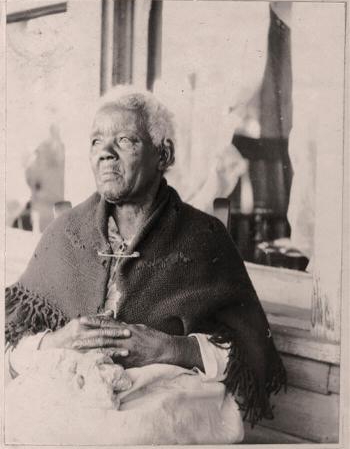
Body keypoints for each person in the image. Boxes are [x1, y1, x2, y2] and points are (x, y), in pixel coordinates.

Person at [5, 86, 286, 444]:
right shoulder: (66, 232)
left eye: (124, 140)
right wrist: (60, 340)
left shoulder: (203, 236)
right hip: (70, 398)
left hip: (161, 403)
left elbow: (250, 353)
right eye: (95, 141)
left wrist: (170, 348)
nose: (104, 154)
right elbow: (11, 347)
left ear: (163, 153)